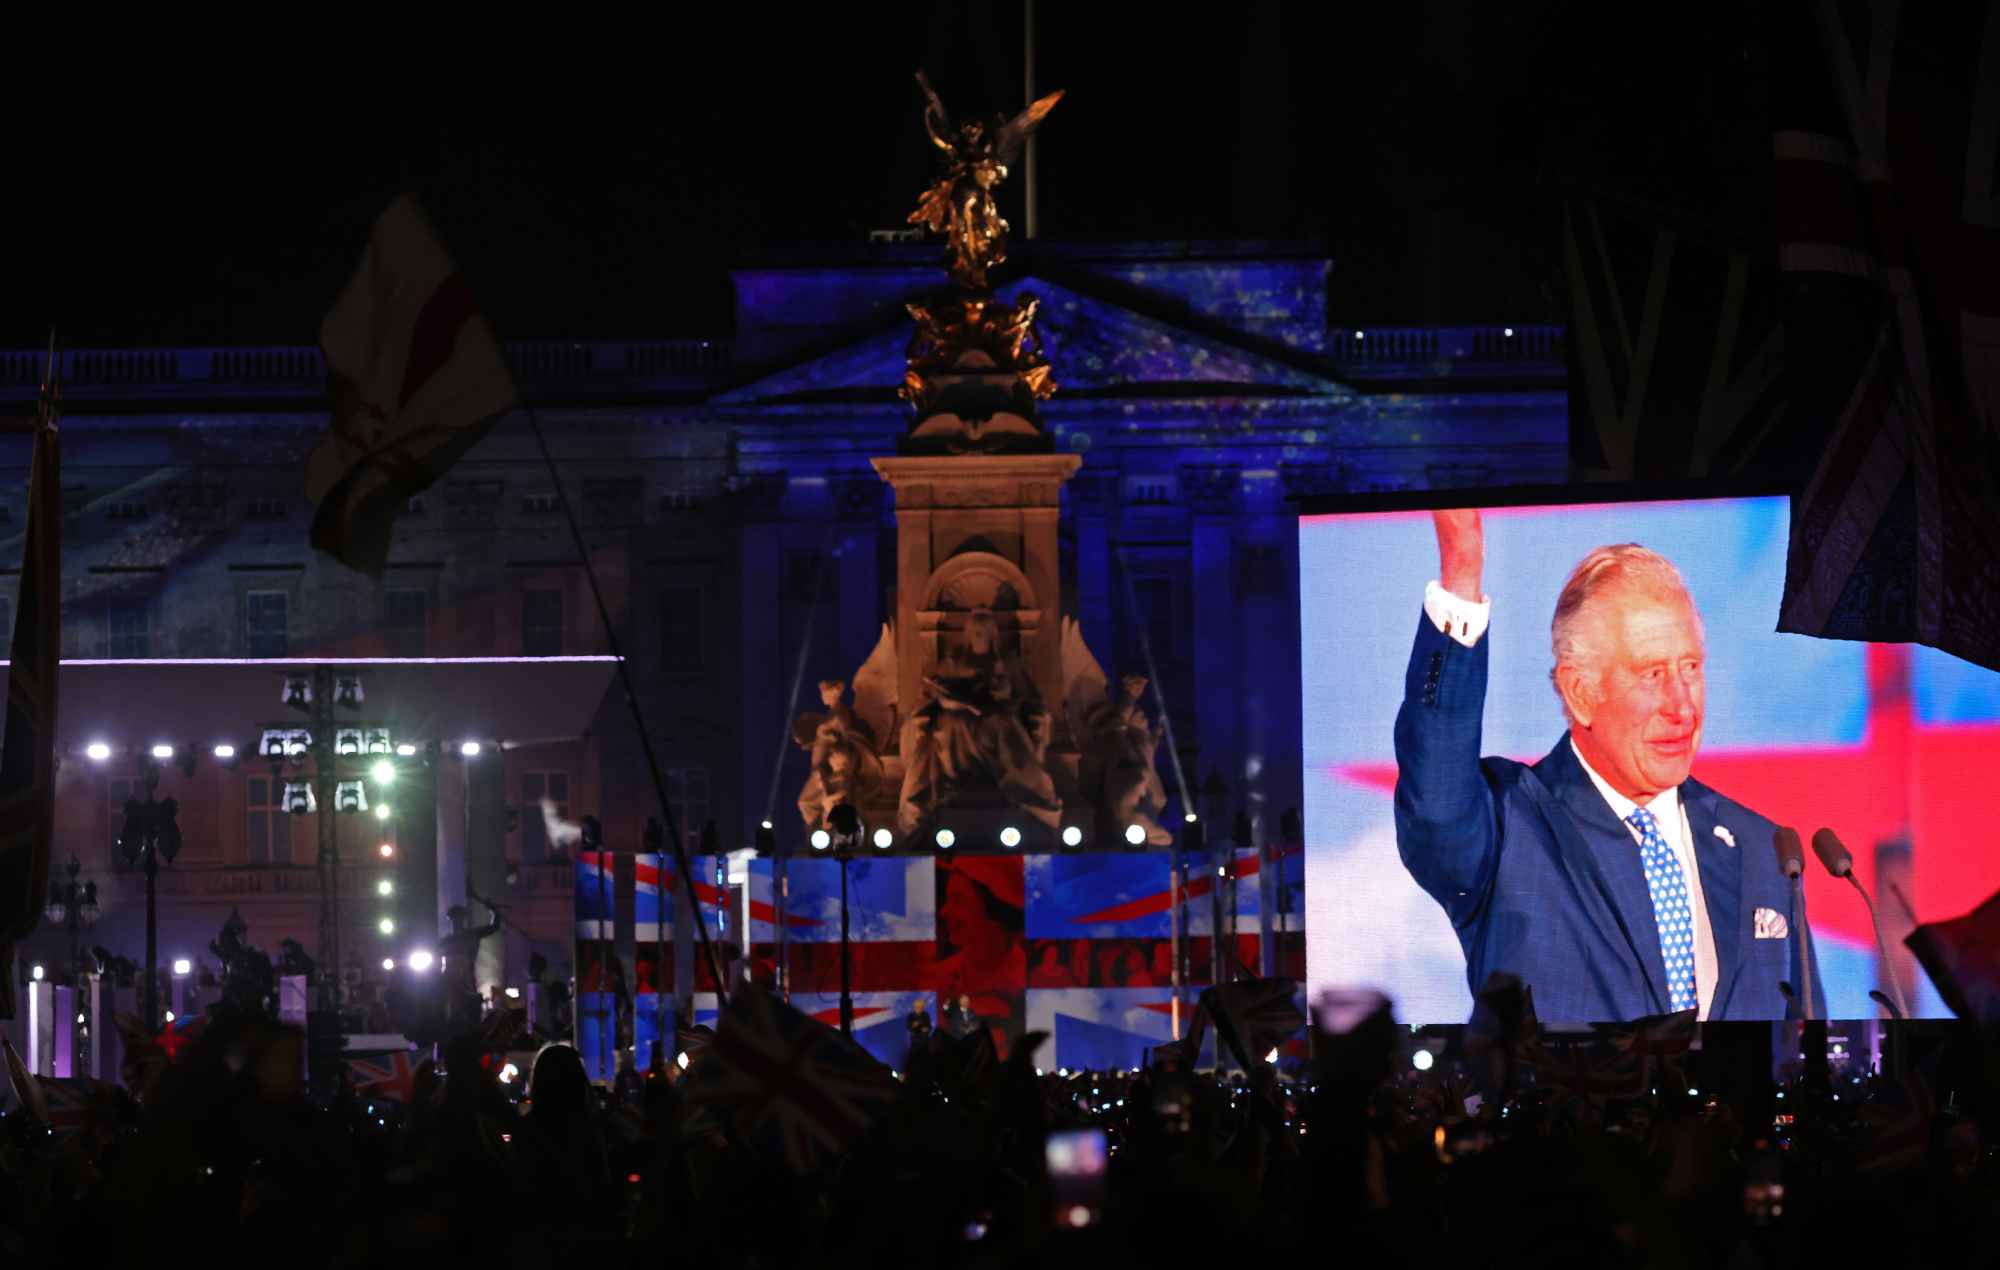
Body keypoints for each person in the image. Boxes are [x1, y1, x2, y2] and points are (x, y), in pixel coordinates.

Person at [1393, 510, 1821, 1021]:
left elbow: (1810, 1039)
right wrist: (1461, 577)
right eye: (1652, 674)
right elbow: (1436, 803)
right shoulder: (1511, 828)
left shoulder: (1764, 851)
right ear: (1580, 692)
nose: (1682, 706)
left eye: (1690, 668)